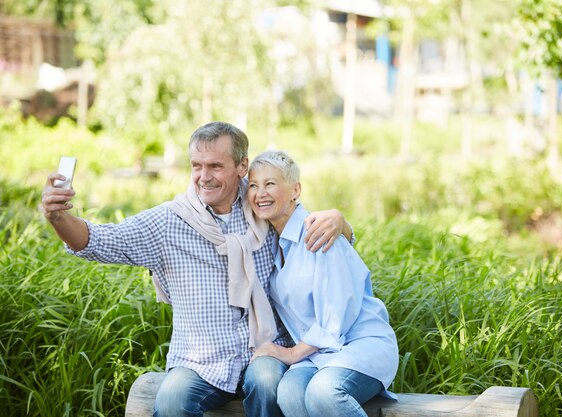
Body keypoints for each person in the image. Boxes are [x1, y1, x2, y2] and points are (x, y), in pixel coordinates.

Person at [40, 122, 353, 417]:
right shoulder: (169, 222)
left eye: (215, 166)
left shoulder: (262, 204)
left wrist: (341, 222)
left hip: (266, 349)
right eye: (196, 165)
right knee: (172, 398)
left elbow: (311, 228)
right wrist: (58, 218)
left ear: (242, 167)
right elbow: (97, 240)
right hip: (201, 360)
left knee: (268, 382)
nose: (204, 176)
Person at [243, 150, 399, 417]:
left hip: (359, 344)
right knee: (289, 393)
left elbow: (336, 315)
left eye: (270, 184)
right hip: (317, 356)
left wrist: (291, 354)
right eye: (254, 185)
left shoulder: (320, 230)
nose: (260, 193)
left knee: (323, 393)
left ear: (295, 190)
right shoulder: (267, 240)